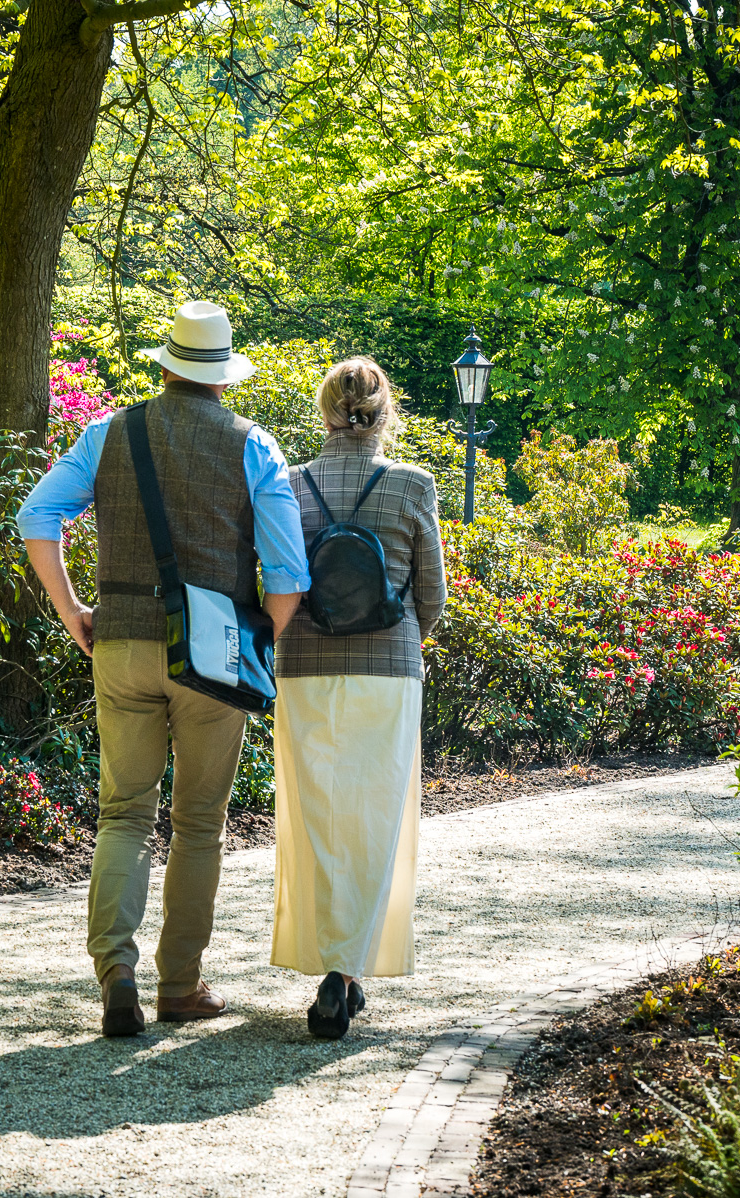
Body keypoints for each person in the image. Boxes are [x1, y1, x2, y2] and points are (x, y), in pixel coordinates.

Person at [17, 301, 309, 1038]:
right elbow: (289, 572)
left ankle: (115, 971)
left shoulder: (106, 433)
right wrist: (260, 641)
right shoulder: (253, 445)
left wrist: (72, 610)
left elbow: (36, 517)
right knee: (199, 823)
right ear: (222, 375)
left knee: (124, 813)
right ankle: (179, 984)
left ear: (169, 364)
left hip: (117, 637)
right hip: (214, 655)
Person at [270, 356, 446, 1039]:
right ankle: (347, 972)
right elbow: (431, 595)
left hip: (306, 666)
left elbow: (280, 577)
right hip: (388, 667)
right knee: (376, 818)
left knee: (316, 818)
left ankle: (331, 963)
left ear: (325, 414)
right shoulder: (413, 485)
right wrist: (404, 637)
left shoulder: (290, 486)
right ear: (385, 415)